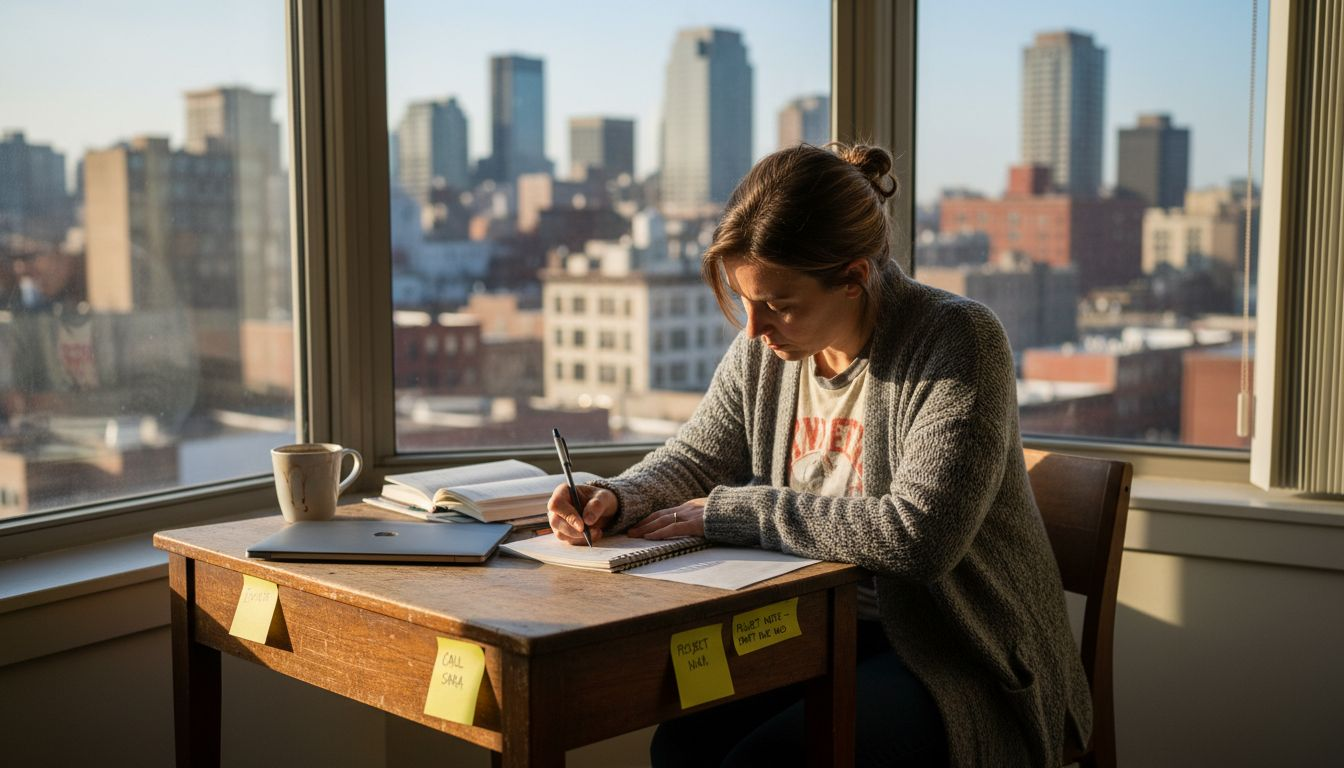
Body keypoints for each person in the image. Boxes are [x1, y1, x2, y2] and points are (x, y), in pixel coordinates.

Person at [546, 143, 1092, 766]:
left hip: (959, 654)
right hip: (816, 629)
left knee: (766, 763)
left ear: (853, 279)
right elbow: (698, 457)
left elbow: (919, 538)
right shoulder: (767, 349)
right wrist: (617, 496)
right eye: (744, 300)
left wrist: (736, 511)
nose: (753, 328)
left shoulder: (959, 341)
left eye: (778, 305)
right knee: (680, 746)